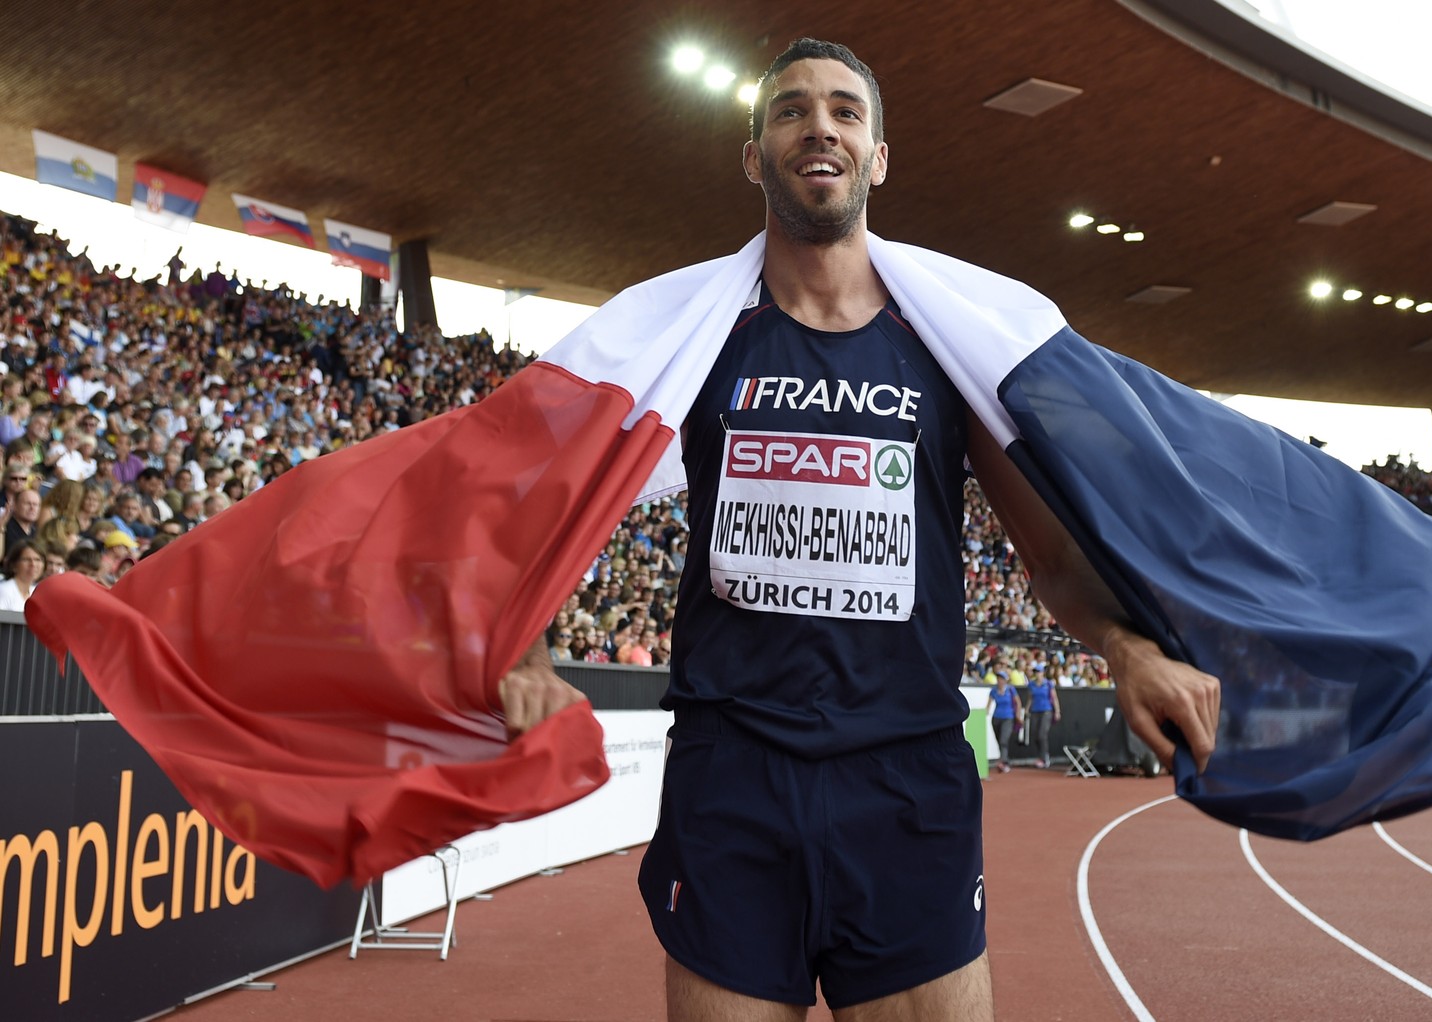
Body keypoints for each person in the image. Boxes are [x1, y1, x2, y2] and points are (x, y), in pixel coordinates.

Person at [495, 38, 1219, 1021]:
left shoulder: (947, 346)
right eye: (791, 110)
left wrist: (1128, 647)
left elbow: (1048, 557)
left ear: (877, 156)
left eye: (844, 110)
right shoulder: (696, 337)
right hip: (732, 775)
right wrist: (528, 643)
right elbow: (544, 493)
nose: (819, 125)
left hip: (905, 783)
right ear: (756, 155)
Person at [985, 667, 1022, 772]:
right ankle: (1005, 760)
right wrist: (986, 712)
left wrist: (1018, 715)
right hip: (996, 718)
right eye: (998, 678)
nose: (999, 680)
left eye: (1002, 678)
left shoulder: (1010, 689)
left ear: (1005, 680)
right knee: (999, 740)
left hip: (1008, 718)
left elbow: (1018, 702)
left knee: (1003, 740)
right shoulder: (994, 690)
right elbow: (989, 704)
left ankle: (1004, 762)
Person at [1024, 665, 1060, 768]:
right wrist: (1026, 709)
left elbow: (1054, 698)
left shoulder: (1048, 684)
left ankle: (1044, 758)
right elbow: (1030, 698)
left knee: (1042, 735)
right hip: (1035, 711)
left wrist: (1057, 711)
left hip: (1046, 711)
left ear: (1043, 673)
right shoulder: (1031, 684)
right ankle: (1041, 756)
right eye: (1036, 672)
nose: (1037, 674)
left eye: (1039, 672)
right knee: (1035, 735)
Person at [0, 539, 46, 610]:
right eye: (26, 559)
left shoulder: (36, 591)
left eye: (37, 560)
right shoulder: (4, 590)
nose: (33, 564)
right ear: (13, 564)